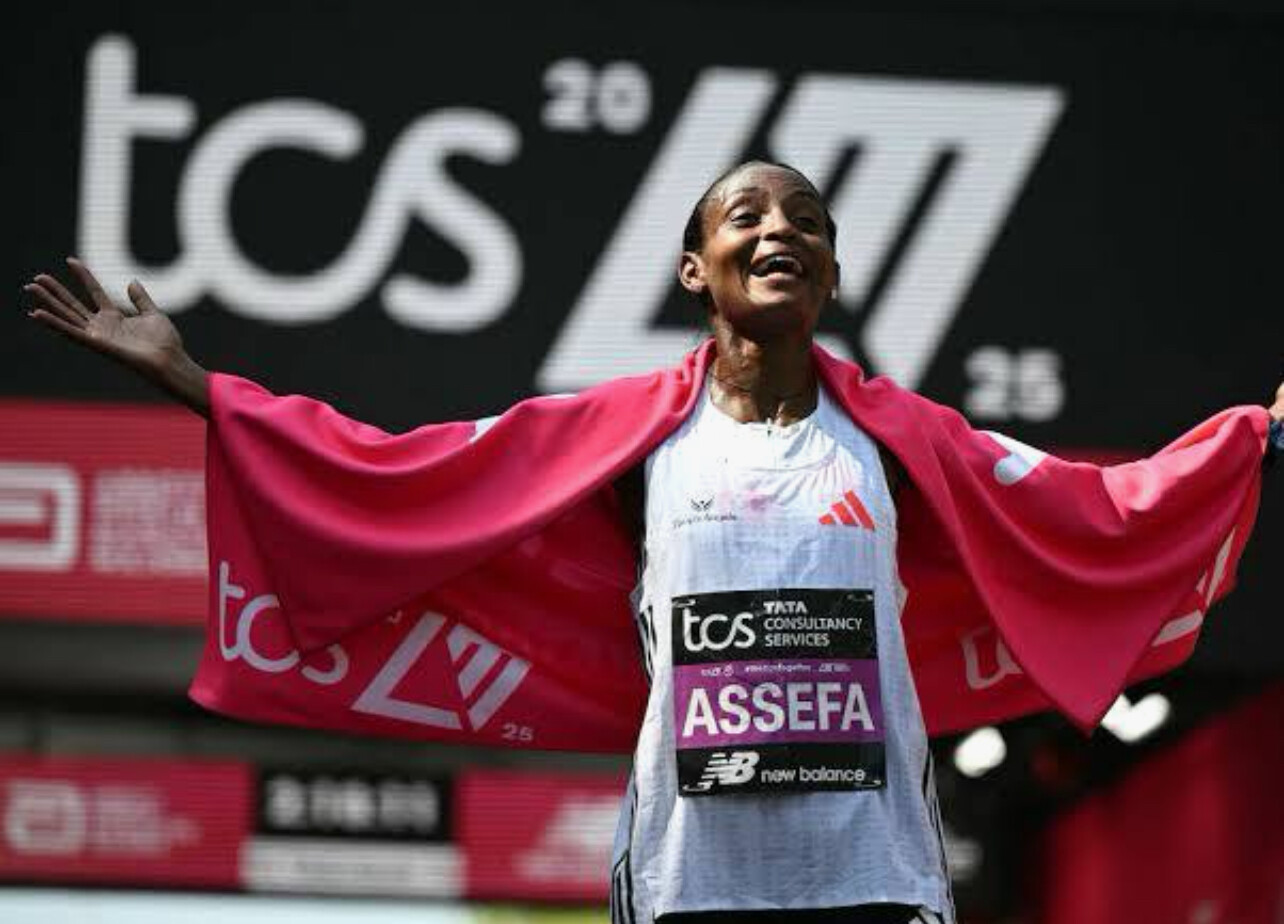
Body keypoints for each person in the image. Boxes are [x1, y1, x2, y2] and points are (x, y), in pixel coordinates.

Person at [24, 162, 1284, 924]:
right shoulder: (628, 439)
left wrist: (1255, 438)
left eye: (806, 219)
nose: (779, 229)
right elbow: (400, 473)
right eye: (747, 214)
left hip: (877, 876)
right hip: (690, 883)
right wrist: (200, 386)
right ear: (695, 267)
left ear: (831, 273)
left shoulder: (905, 441)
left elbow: (1085, 507)